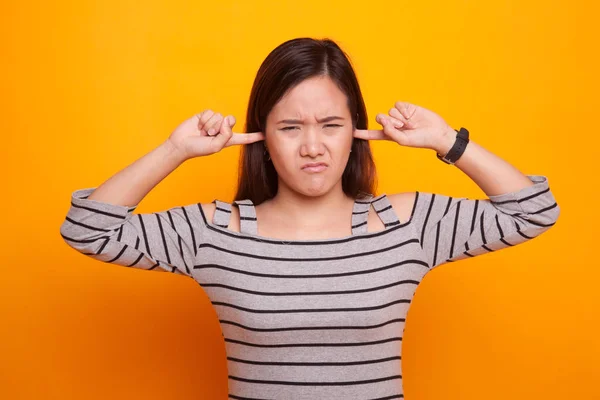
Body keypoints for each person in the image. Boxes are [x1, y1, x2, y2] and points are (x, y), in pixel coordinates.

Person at [60, 37, 560, 399]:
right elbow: (87, 229)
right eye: (290, 127)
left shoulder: (406, 223)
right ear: (261, 136)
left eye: (331, 124)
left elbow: (534, 211)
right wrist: (175, 150)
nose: (313, 147)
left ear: (356, 132)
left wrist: (447, 141)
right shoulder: (217, 231)